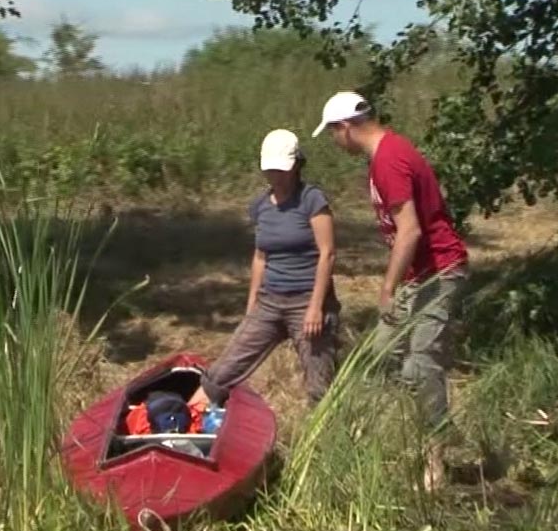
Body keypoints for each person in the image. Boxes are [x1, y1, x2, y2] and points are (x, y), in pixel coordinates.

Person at [312, 91, 469, 491]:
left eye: (333, 134)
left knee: (421, 362)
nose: (336, 143)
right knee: (376, 355)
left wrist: (387, 286)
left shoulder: (390, 160)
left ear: (344, 127)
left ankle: (437, 453)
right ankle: (397, 434)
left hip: (439, 271)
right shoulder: (386, 155)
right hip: (417, 276)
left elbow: (411, 229)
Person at [186, 128, 340, 418]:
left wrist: (316, 307)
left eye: (281, 169)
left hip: (307, 301)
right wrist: (252, 303)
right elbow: (260, 256)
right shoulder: (260, 206)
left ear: (296, 165)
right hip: (271, 300)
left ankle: (326, 443)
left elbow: (327, 253)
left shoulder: (312, 200)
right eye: (270, 170)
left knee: (319, 384)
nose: (276, 176)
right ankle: (182, 423)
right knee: (223, 370)